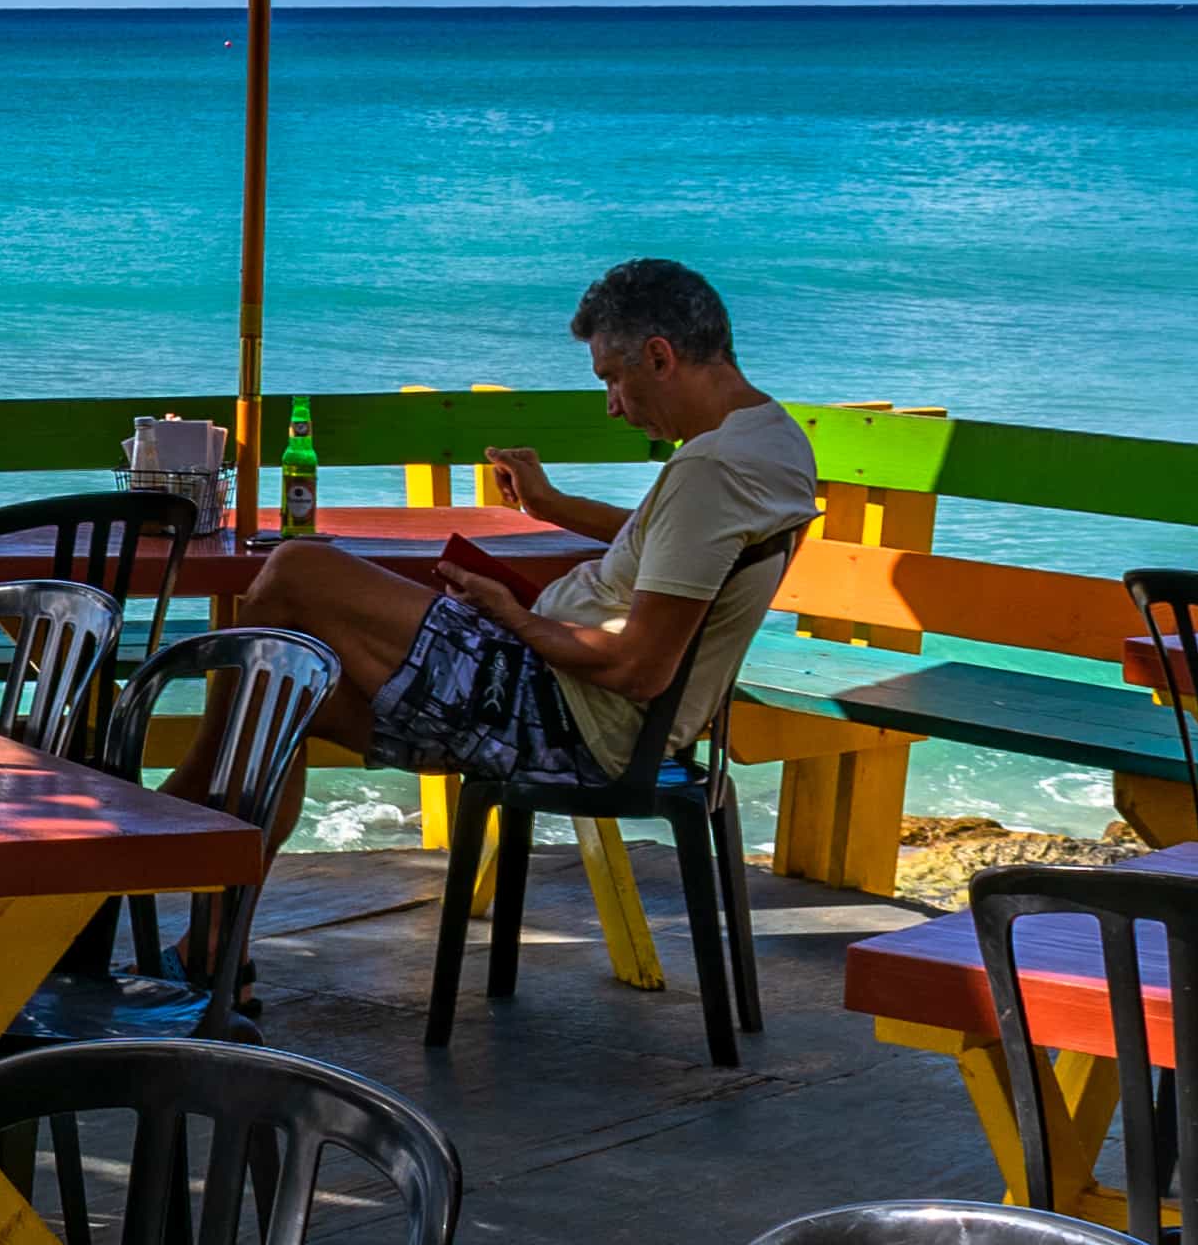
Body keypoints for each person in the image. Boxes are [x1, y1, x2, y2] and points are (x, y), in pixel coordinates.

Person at [217, 258, 816, 833]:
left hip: (563, 719)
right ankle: (214, 904)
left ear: (660, 356)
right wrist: (549, 506)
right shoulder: (770, 439)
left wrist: (513, 615)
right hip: (577, 708)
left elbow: (638, 668)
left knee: (299, 570)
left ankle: (181, 829)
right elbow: (676, 540)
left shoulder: (710, 469)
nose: (612, 406)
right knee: (279, 691)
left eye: (612, 378)